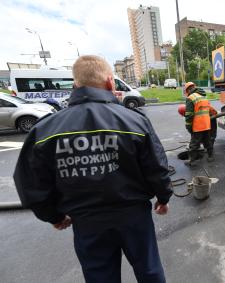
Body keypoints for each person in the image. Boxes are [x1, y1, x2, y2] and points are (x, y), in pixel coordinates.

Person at [13, 55, 172, 283]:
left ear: (75, 85)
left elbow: (31, 183)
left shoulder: (45, 129)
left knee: (100, 277)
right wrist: (163, 196)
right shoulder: (135, 121)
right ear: (110, 83)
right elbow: (156, 166)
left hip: (87, 222)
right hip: (134, 216)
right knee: (149, 270)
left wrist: (53, 216)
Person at [184, 81, 214, 165]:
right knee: (207, 141)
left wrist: (188, 125)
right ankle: (210, 156)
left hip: (198, 125)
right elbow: (209, 109)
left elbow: (189, 114)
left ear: (189, 90)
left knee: (194, 144)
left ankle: (192, 160)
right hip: (206, 124)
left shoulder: (191, 97)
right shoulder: (203, 96)